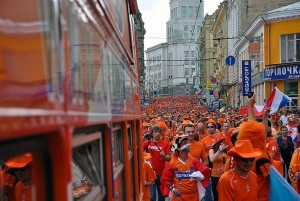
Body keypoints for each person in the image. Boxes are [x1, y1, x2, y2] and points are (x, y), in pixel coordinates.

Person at [160, 135, 210, 201]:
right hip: (179, 197)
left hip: (193, 196)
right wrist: (173, 189)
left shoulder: (194, 161)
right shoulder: (172, 163)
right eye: (184, 143)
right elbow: (165, 180)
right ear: (178, 148)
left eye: (187, 142)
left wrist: (201, 176)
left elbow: (205, 173)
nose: (187, 144)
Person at [143, 126, 171, 201]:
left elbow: (169, 158)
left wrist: (164, 156)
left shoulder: (165, 144)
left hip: (161, 173)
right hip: (150, 174)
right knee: (152, 196)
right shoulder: (146, 143)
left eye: (159, 132)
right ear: (152, 134)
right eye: (155, 132)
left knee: (161, 195)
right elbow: (138, 154)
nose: (157, 134)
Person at [208, 137, 228, 201]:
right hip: (216, 175)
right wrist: (219, 150)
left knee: (224, 194)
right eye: (221, 142)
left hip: (224, 175)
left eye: (223, 142)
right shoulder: (212, 150)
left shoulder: (225, 151)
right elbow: (211, 159)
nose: (222, 144)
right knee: (216, 194)